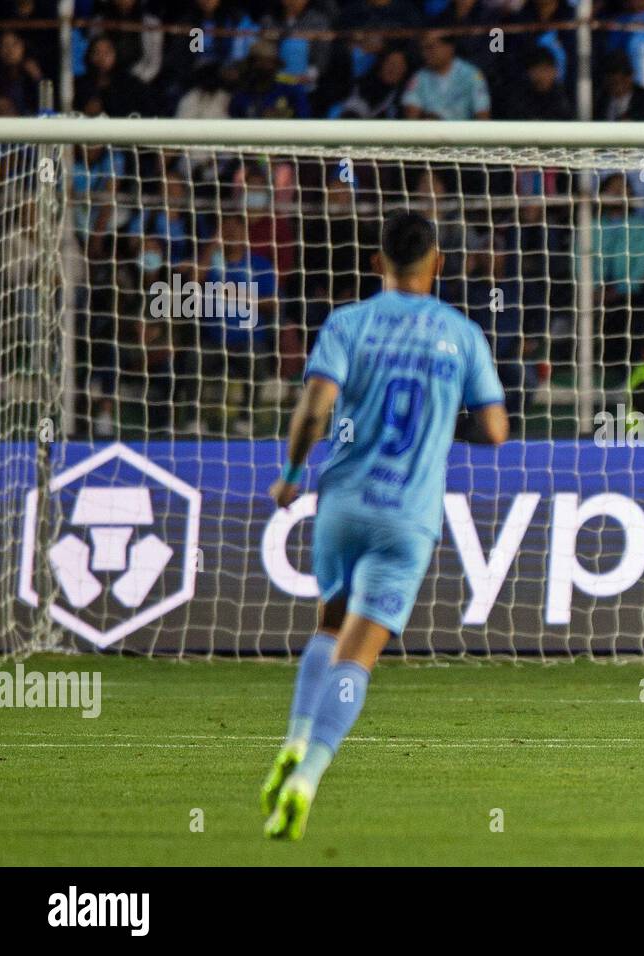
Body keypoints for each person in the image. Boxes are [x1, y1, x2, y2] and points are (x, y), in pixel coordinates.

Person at [260, 211, 508, 840]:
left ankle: (292, 737)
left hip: (343, 504)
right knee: (360, 656)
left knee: (329, 624)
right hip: (409, 516)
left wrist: (291, 473)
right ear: (439, 263)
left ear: (378, 262)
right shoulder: (463, 333)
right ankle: (308, 775)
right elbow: (497, 430)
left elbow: (314, 408)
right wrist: (446, 418)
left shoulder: (349, 322)